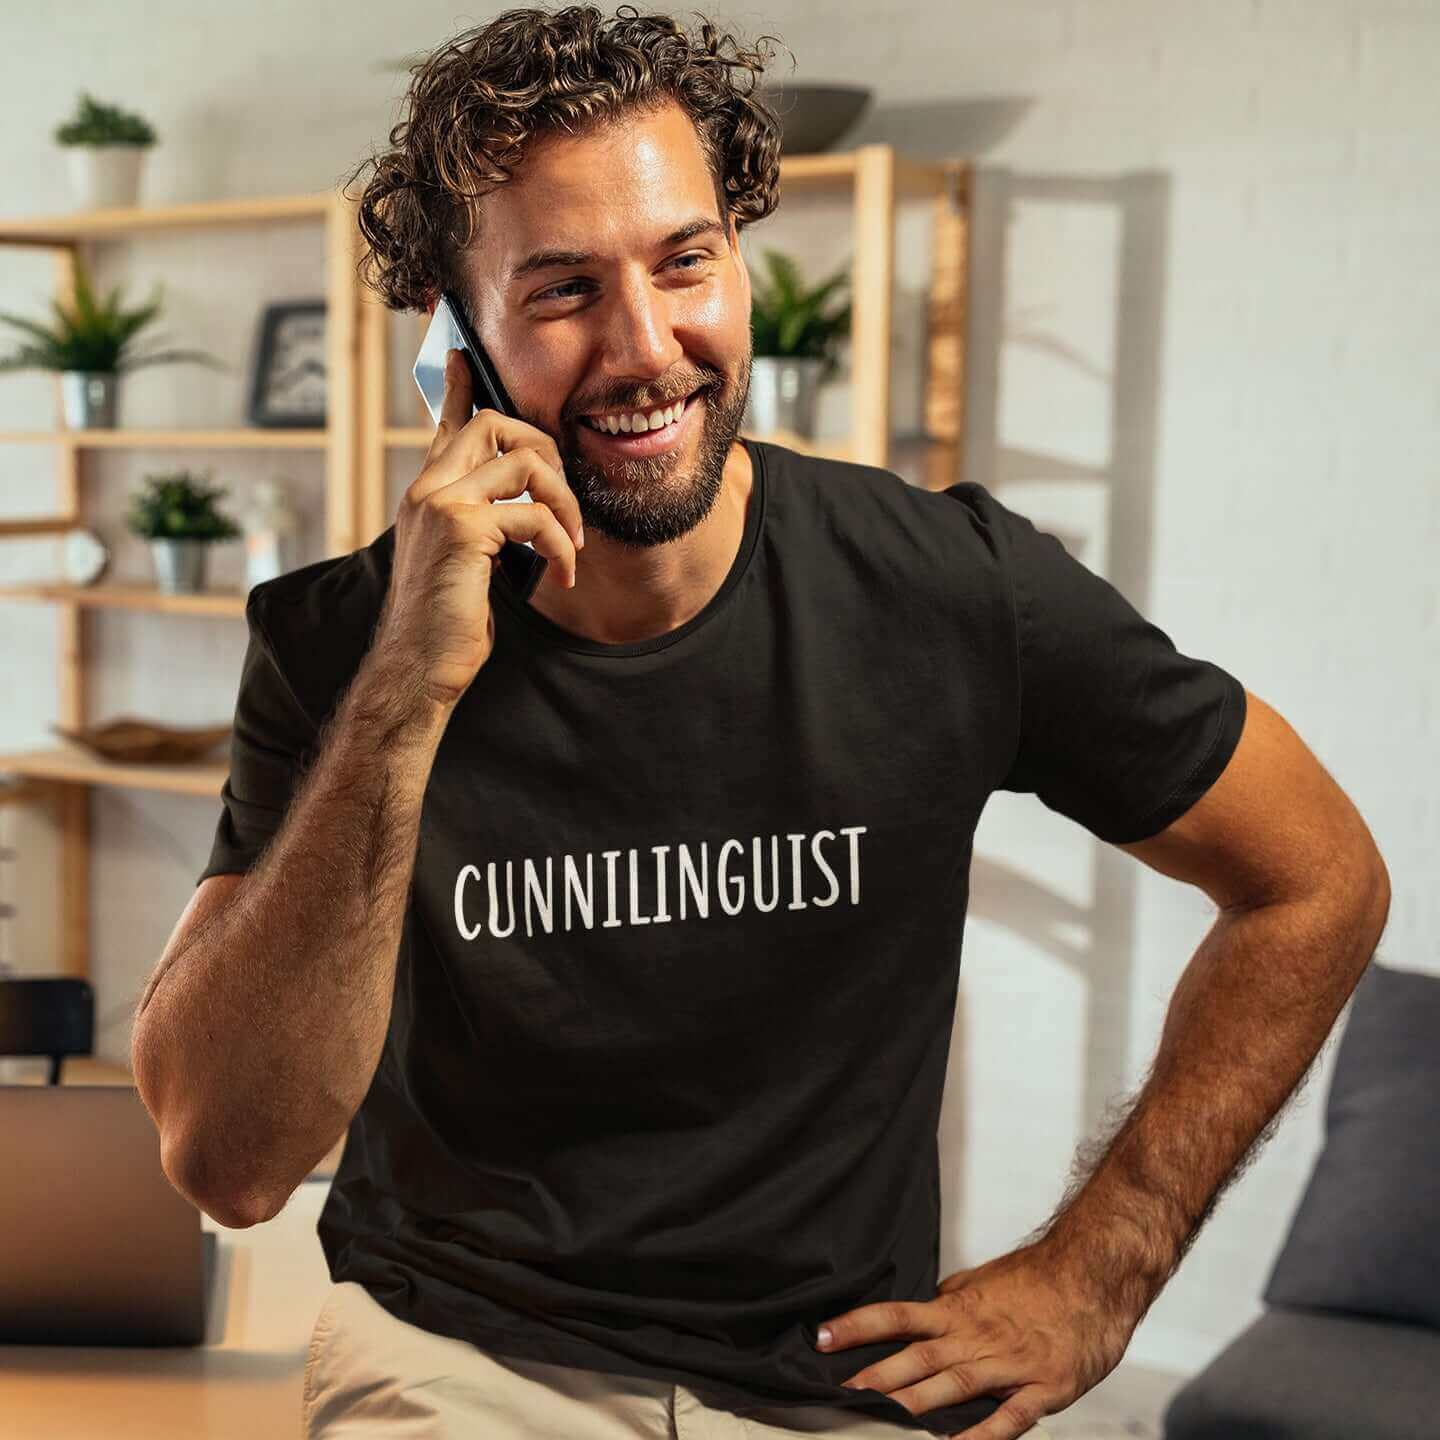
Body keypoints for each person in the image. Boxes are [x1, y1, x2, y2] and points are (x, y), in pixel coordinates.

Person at [130, 6, 1391, 1440]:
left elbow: (1316, 878)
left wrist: (1101, 1269)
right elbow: (230, 1161)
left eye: (686, 262)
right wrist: (408, 690)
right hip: (463, 1356)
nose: (647, 346)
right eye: (559, 291)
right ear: (455, 338)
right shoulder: (341, 646)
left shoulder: (950, 590)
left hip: (837, 1382)